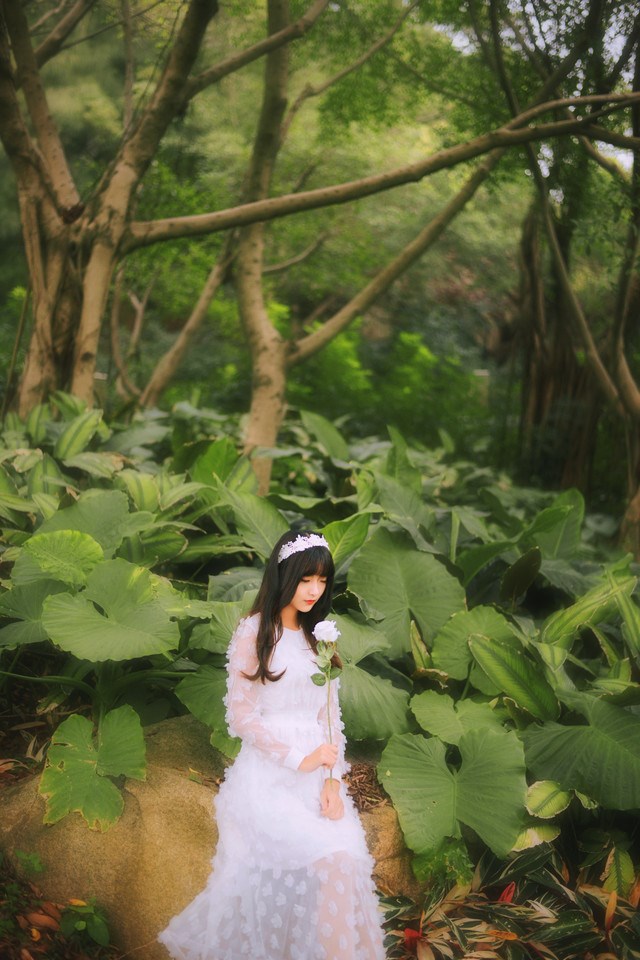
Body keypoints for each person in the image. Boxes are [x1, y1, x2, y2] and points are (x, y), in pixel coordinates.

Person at [158, 530, 387, 960]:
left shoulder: (320, 637)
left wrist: (332, 781)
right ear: (284, 576)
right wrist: (299, 759)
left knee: (345, 860)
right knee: (326, 859)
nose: (314, 590)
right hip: (268, 779)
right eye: (305, 579)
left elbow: (329, 717)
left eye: (322, 580)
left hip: (318, 778)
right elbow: (242, 716)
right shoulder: (255, 632)